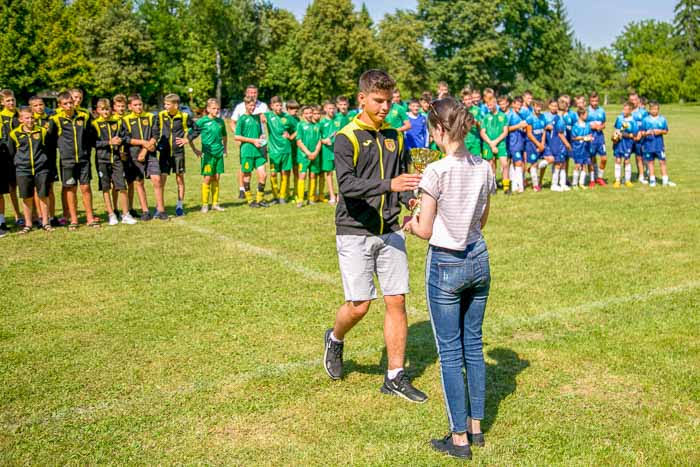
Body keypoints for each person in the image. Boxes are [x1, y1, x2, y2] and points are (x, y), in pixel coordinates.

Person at [322, 69, 427, 404]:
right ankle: (336, 337)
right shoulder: (346, 137)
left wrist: (409, 199)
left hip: (391, 229)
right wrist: (389, 186)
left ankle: (395, 376)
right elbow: (347, 186)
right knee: (360, 306)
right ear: (362, 99)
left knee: (396, 300)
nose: (384, 107)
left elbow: (400, 182)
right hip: (354, 231)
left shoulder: (396, 136)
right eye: (378, 101)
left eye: (389, 101)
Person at [403, 97, 495, 460]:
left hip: (446, 263)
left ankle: (458, 438)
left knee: (450, 352)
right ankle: (476, 427)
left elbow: (425, 229)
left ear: (440, 130)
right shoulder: (484, 166)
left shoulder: (436, 171)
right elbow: (482, 220)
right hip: (479, 258)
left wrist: (411, 223)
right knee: (474, 346)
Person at [47, 91, 99, 230]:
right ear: (60, 105)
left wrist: (87, 152)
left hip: (83, 160)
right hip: (67, 161)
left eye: (71, 102)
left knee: (86, 188)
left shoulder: (84, 116)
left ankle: (90, 218)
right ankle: (73, 219)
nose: (69, 105)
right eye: (65, 104)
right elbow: (50, 140)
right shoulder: (56, 119)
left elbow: (91, 136)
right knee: (70, 189)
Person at [8, 107, 53, 233]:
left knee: (43, 195)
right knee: (26, 197)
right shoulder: (14, 134)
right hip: (23, 170)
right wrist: (19, 164)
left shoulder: (42, 131)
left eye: (32, 117)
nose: (30, 120)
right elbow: (12, 153)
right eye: (27, 118)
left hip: (41, 168)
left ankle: (45, 222)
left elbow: (48, 149)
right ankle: (28, 224)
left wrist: (43, 162)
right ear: (21, 119)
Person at [92, 98, 137, 226]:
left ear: (111, 109)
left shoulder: (117, 122)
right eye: (102, 109)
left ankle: (125, 214)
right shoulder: (94, 124)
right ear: (98, 110)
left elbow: (125, 136)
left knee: (122, 186)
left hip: (117, 159)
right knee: (106, 187)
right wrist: (108, 142)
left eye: (107, 109)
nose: (105, 112)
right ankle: (111, 214)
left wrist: (120, 141)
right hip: (102, 160)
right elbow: (92, 143)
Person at [122, 94, 165, 220]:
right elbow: (126, 139)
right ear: (130, 107)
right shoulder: (125, 120)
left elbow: (156, 134)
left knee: (156, 179)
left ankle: (161, 210)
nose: (138, 107)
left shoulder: (151, 117)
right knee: (139, 182)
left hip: (150, 153)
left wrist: (145, 150)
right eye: (135, 105)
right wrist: (143, 143)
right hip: (134, 155)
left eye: (140, 104)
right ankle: (145, 211)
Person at [153, 93, 193, 216]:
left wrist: (187, 139)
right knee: (161, 180)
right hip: (164, 153)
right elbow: (155, 129)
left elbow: (196, 129)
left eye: (167, 104)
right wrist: (156, 142)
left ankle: (180, 205)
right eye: (165, 104)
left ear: (175, 105)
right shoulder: (160, 115)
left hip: (178, 153)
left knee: (179, 178)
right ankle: (159, 207)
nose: (165, 106)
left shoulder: (184, 116)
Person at [231, 85, 269, 199]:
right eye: (250, 92)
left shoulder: (263, 106)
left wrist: (263, 136)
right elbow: (233, 123)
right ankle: (243, 190)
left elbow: (266, 121)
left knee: (262, 170)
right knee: (245, 168)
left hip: (260, 142)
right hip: (247, 143)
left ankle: (259, 196)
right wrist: (242, 136)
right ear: (246, 94)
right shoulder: (240, 107)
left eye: (255, 92)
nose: (252, 94)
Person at [190, 98, 228, 212]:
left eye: (218, 108)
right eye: (214, 108)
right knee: (207, 178)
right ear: (208, 109)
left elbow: (225, 136)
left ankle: (215, 204)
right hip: (207, 154)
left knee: (216, 178)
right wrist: (195, 150)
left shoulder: (221, 121)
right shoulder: (202, 122)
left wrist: (225, 149)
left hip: (218, 153)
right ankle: (205, 205)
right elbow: (190, 135)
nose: (216, 110)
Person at [29, 96, 61, 227]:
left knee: (50, 188)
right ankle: (41, 217)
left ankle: (52, 216)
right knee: (38, 189)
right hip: (36, 160)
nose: (39, 107)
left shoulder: (51, 120)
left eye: (41, 104)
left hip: (50, 158)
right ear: (31, 108)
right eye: (35, 106)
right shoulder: (30, 121)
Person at [262, 96, 292, 204]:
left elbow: (297, 128)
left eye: (280, 105)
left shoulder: (287, 117)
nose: (279, 107)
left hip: (286, 149)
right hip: (274, 150)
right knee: (273, 174)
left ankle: (282, 196)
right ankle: (275, 196)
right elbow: (259, 117)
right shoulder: (268, 115)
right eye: (276, 105)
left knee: (285, 173)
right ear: (271, 106)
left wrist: (290, 136)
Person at [0, 89, 22, 227]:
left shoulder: (20, 115)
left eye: (12, 100)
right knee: (11, 187)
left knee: (26, 187)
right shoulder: (1, 117)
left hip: (22, 156)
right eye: (8, 100)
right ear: (2, 102)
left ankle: (32, 215)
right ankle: (17, 215)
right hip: (6, 157)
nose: (11, 102)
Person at [641, 102, 675, 187]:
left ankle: (665, 179)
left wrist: (660, 131)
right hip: (648, 145)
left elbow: (666, 131)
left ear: (658, 110)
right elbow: (641, 132)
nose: (654, 111)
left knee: (662, 161)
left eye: (655, 109)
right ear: (649, 109)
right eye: (652, 109)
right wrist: (646, 133)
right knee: (650, 162)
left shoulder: (662, 119)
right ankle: (652, 179)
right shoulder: (645, 119)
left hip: (659, 145)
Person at [479, 97, 509, 194]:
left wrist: (495, 142)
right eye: (488, 105)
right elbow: (483, 132)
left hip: (500, 144)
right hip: (488, 144)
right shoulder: (486, 117)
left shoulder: (503, 116)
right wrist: (491, 143)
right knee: (491, 164)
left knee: (504, 164)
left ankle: (506, 187)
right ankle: (493, 186)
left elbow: (505, 132)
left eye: (491, 105)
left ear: (495, 104)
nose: (489, 107)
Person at [294, 105, 321, 207]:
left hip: (315, 155)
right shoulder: (300, 125)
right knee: (302, 175)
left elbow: (319, 140)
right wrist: (308, 153)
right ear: (303, 115)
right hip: (303, 156)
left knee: (313, 175)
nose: (309, 115)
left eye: (311, 113)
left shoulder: (316, 126)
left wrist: (315, 152)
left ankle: (311, 198)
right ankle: (300, 199)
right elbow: (299, 141)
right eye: (307, 113)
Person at [612, 102, 637, 188]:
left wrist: (624, 135)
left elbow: (634, 135)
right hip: (619, 143)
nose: (624, 111)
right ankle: (617, 180)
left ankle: (627, 180)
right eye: (624, 109)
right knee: (618, 160)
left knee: (626, 160)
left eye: (626, 109)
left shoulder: (633, 121)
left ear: (631, 110)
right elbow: (616, 129)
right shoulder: (619, 118)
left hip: (627, 144)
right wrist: (615, 136)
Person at [525, 100, 547, 192]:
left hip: (540, 143)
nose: (538, 108)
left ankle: (535, 175)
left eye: (540, 107)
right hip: (532, 144)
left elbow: (544, 131)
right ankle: (535, 185)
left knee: (545, 162)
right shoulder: (530, 118)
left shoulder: (543, 117)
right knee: (534, 163)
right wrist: (538, 144)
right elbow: (529, 134)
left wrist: (542, 143)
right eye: (537, 106)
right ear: (533, 106)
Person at [507, 96, 528, 193]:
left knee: (516, 162)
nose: (519, 106)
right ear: (513, 104)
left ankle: (514, 184)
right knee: (518, 162)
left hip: (520, 142)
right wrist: (518, 126)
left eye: (520, 105)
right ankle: (520, 186)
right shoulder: (510, 115)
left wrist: (523, 128)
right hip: (512, 143)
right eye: (517, 104)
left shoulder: (521, 115)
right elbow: (506, 129)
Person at [319, 100, 338, 204]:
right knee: (329, 173)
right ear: (325, 109)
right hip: (327, 152)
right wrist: (324, 140)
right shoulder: (321, 123)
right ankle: (332, 195)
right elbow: (317, 138)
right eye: (329, 108)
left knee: (340, 173)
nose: (331, 110)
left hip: (338, 151)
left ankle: (340, 195)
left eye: (333, 108)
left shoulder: (338, 119)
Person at [587, 92, 607, 186]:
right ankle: (592, 179)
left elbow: (604, 123)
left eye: (596, 100)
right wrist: (592, 126)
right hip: (590, 137)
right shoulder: (586, 110)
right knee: (592, 158)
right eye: (592, 100)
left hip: (600, 137)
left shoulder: (601, 110)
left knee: (604, 158)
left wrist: (601, 126)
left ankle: (599, 177)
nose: (594, 102)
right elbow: (582, 123)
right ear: (589, 100)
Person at [571, 108, 592, 189]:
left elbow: (590, 135)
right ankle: (574, 183)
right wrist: (583, 138)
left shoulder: (587, 125)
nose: (587, 116)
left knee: (584, 165)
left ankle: (581, 183)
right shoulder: (575, 126)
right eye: (586, 114)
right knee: (577, 165)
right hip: (578, 148)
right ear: (581, 115)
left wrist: (590, 138)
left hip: (585, 148)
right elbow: (573, 137)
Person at [630, 92, 649, 184]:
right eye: (631, 100)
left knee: (640, 157)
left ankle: (642, 175)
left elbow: (647, 125)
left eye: (635, 99)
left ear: (638, 100)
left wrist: (641, 133)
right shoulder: (627, 111)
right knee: (626, 158)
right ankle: (627, 177)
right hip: (629, 139)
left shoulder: (644, 112)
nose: (633, 102)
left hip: (640, 138)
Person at [284, 100, 300, 199]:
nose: (295, 110)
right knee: (286, 172)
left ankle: (296, 193)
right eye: (293, 109)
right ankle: (286, 193)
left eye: (296, 109)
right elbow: (284, 132)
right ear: (288, 109)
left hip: (296, 149)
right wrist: (292, 135)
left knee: (296, 171)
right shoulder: (286, 119)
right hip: (288, 149)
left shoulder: (297, 119)